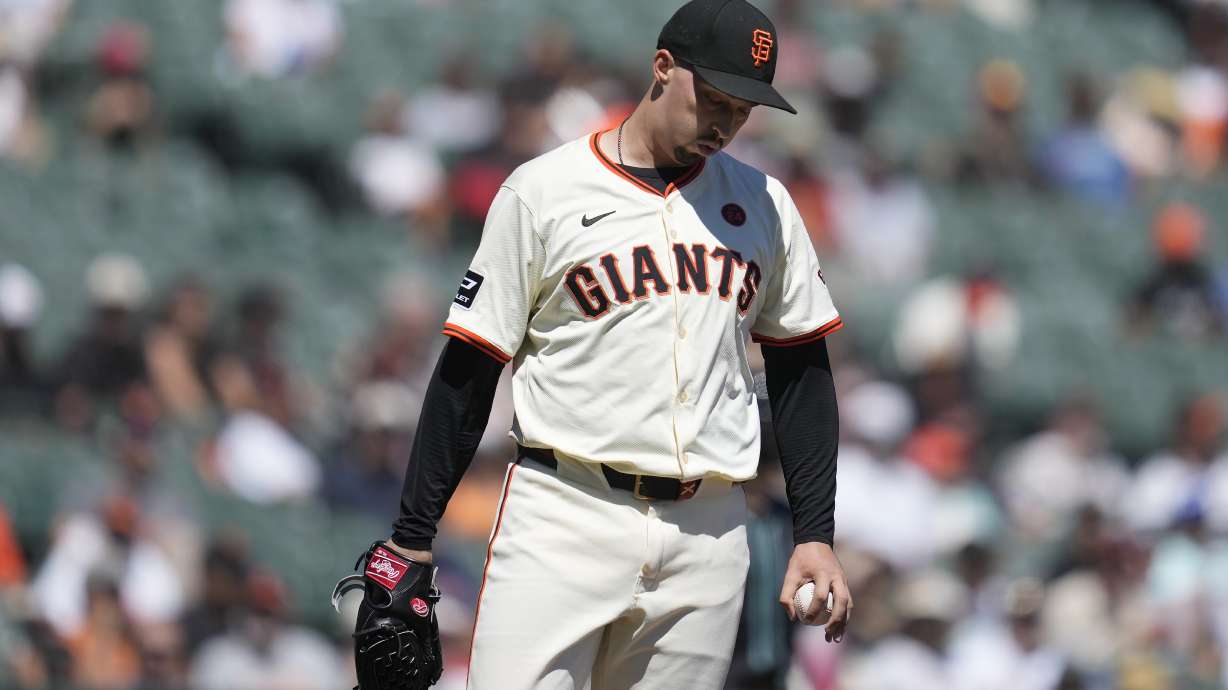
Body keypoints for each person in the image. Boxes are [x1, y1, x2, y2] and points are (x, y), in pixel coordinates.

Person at [349, 1, 852, 687]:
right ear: (663, 67)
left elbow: (802, 372)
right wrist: (414, 533)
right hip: (565, 514)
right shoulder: (544, 192)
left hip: (709, 533)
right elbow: (470, 367)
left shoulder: (765, 204)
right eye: (713, 98)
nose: (725, 123)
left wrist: (814, 533)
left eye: (742, 108)